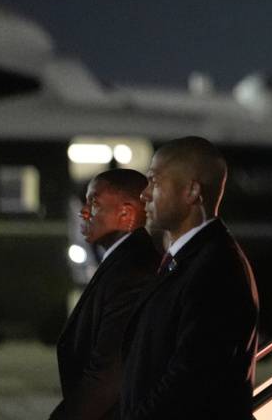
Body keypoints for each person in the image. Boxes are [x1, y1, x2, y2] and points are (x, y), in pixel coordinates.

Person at [120, 136, 259, 419]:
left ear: (192, 191)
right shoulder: (194, 258)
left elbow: (188, 380)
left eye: (154, 182)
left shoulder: (215, 269)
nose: (144, 194)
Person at [51, 169, 160, 420]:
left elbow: (108, 372)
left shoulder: (132, 271)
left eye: (94, 203)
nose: (83, 211)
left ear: (126, 213)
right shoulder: (122, 262)